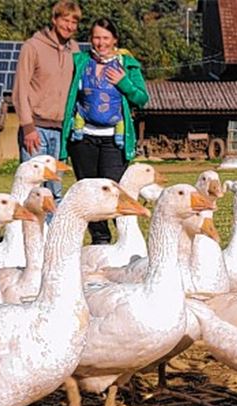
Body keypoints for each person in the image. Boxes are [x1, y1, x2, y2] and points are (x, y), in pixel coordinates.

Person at [61, 17, 149, 245]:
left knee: (111, 191)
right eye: (96, 38)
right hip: (83, 139)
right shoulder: (80, 62)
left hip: (114, 140)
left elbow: (142, 98)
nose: (101, 43)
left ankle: (126, 241)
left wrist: (123, 82)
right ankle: (100, 240)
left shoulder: (128, 65)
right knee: (89, 192)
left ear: (115, 40)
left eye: (106, 38)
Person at [12, 0, 81, 206]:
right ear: (54, 19)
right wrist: (28, 126)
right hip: (36, 129)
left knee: (55, 191)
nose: (69, 26)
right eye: (65, 20)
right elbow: (20, 90)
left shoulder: (75, 50)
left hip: (61, 131)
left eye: (74, 22)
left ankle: (51, 237)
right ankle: (27, 237)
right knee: (32, 190)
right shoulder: (32, 47)